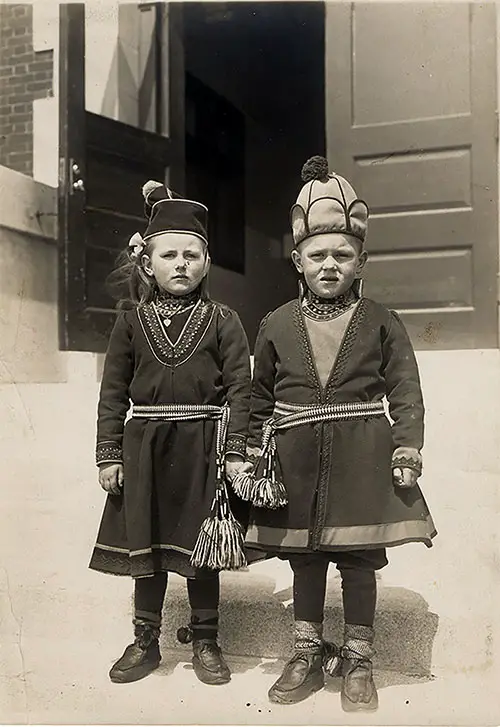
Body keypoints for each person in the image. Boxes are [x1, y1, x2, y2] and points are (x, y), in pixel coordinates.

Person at [235, 156, 437, 711]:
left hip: (361, 455)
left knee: (358, 556)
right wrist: (248, 451)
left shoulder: (382, 321)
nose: (330, 265)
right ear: (297, 260)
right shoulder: (275, 324)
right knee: (305, 557)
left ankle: (359, 655)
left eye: (342, 255)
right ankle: (304, 650)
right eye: (317, 255)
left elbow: (405, 389)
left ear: (361, 260)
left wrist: (407, 446)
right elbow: (256, 396)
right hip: (295, 458)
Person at [89, 181, 251, 687]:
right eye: (169, 254)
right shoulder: (131, 322)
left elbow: (242, 390)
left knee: (201, 550)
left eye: (191, 254)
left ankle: (205, 640)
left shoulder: (223, 320)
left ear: (205, 264)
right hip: (147, 448)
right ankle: (145, 642)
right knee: (149, 546)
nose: (181, 263)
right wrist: (109, 453)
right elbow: (113, 391)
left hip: (204, 445)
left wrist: (235, 453)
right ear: (148, 263)